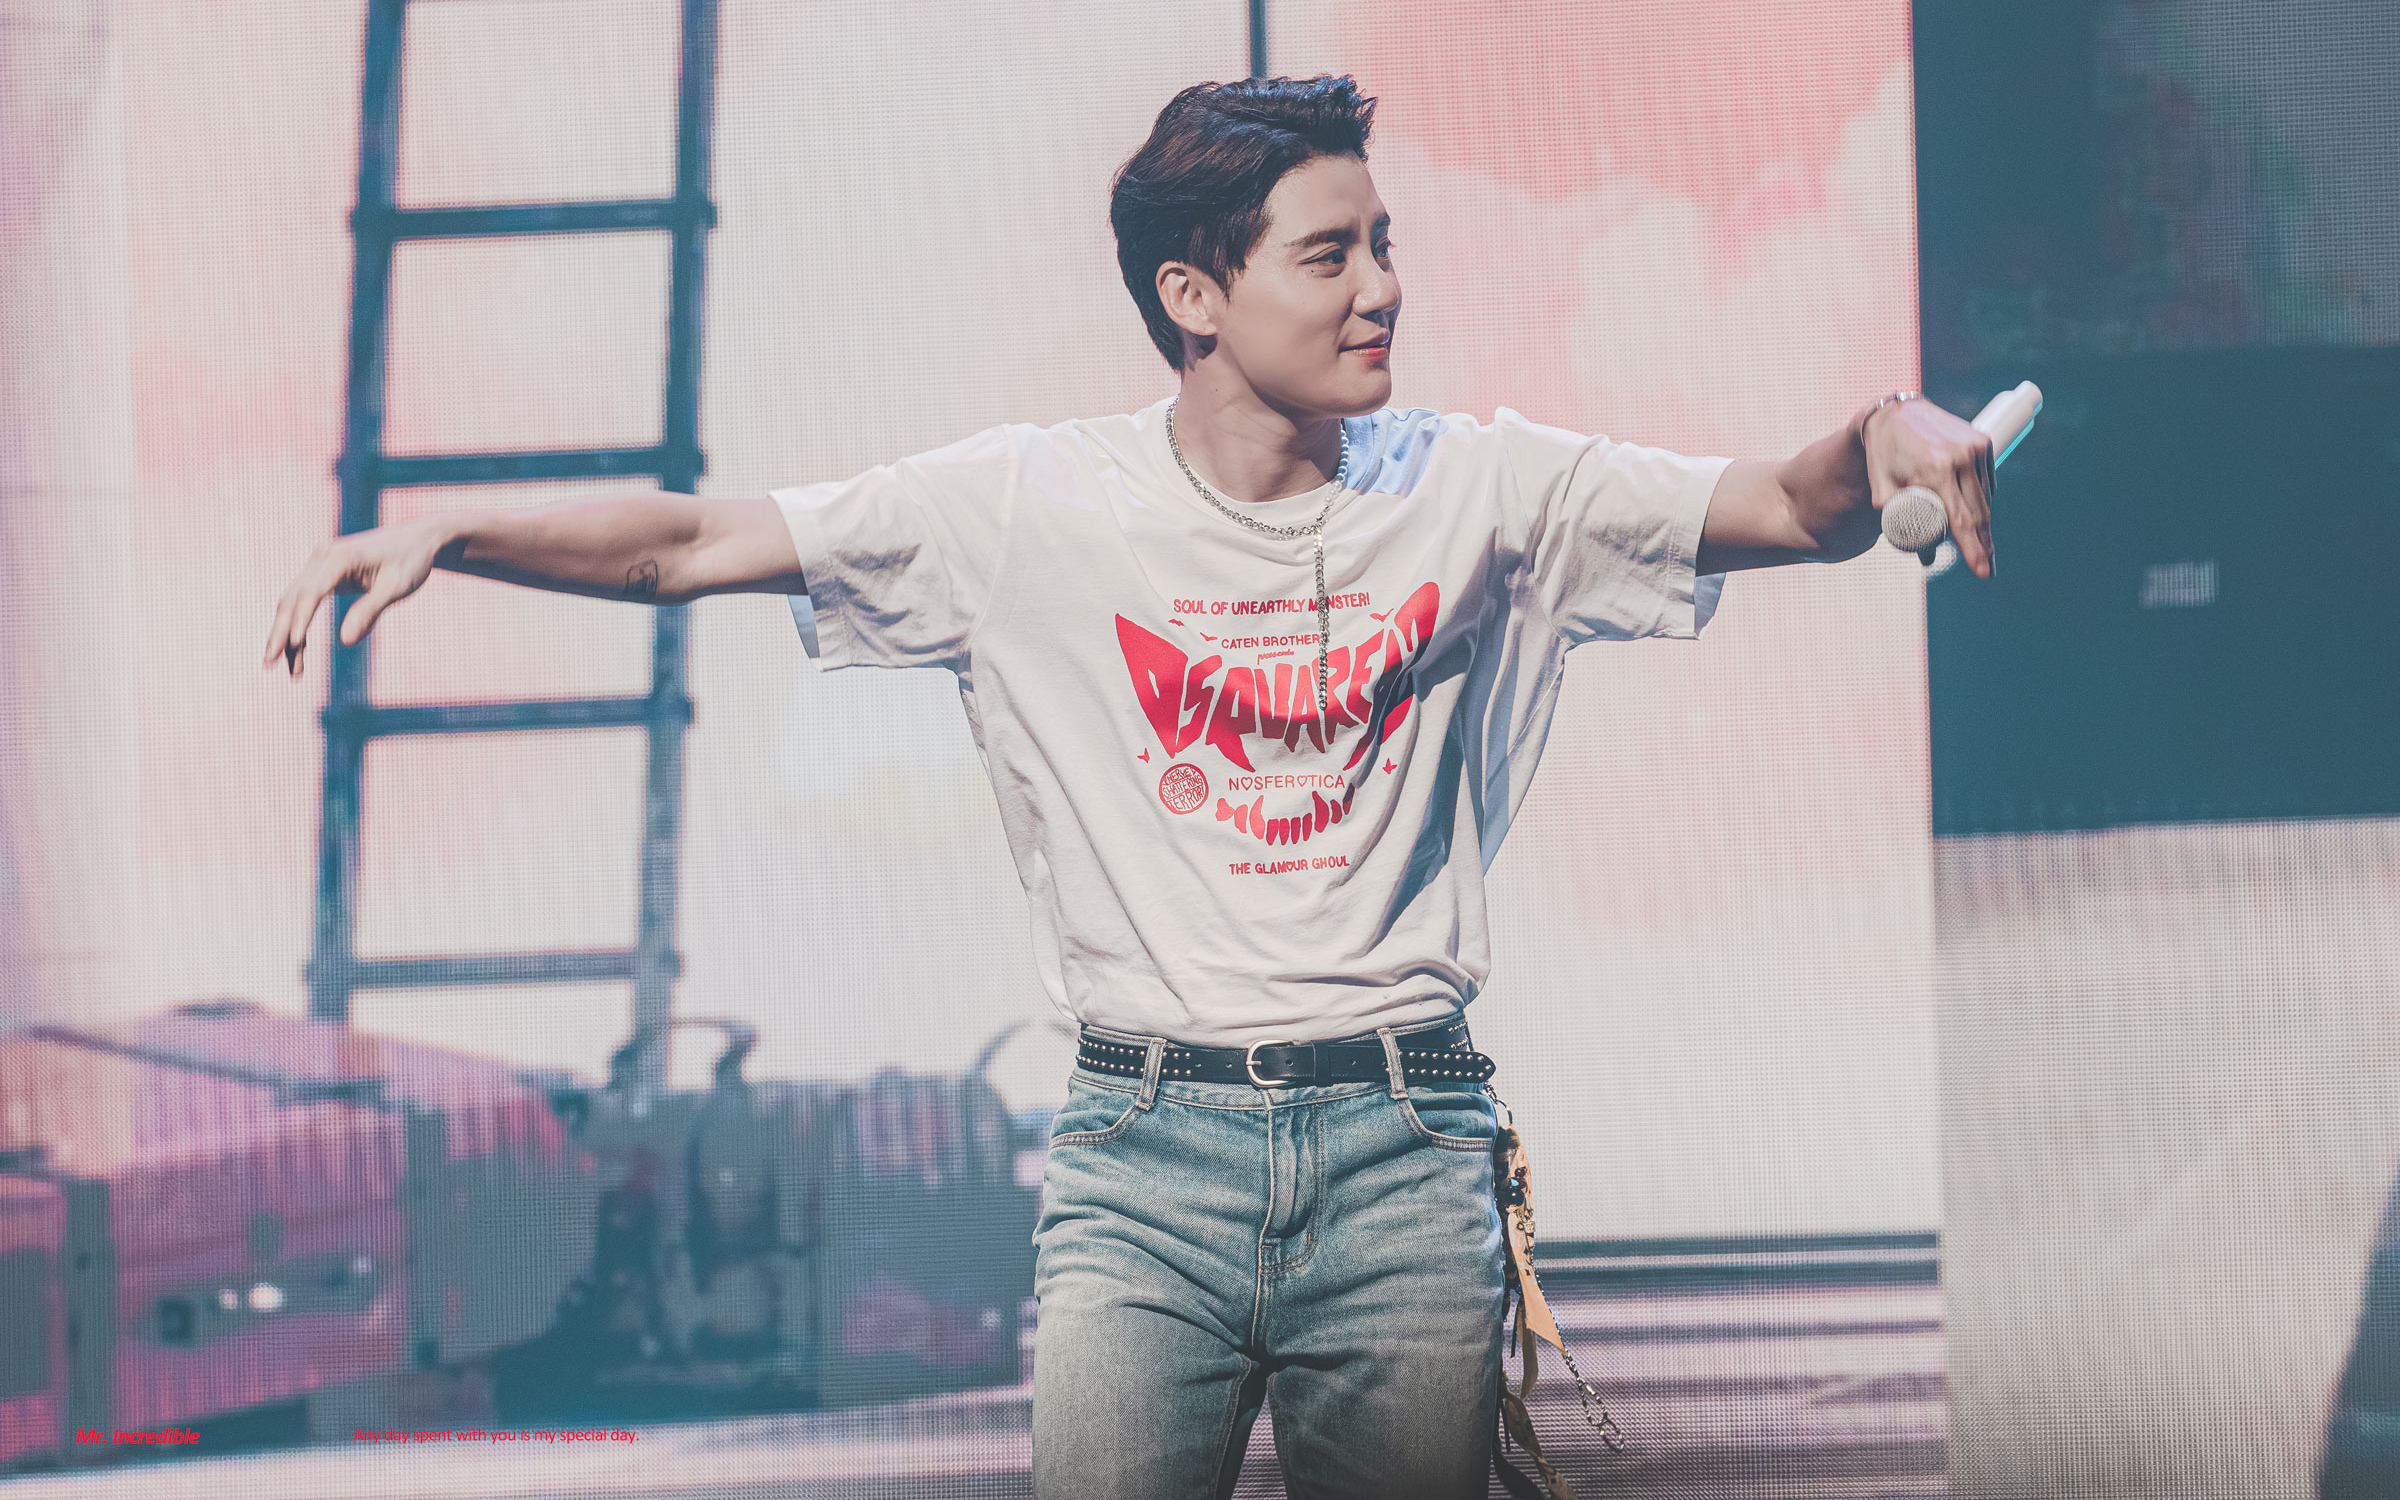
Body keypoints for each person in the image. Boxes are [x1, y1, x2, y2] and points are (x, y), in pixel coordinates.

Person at [264, 75, 1996, 1499]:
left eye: (1385, 245)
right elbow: (699, 542)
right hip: (1140, 1163)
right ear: (1195, 295)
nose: (1382, 288)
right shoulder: (1031, 506)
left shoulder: (1479, 488)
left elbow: (1790, 507)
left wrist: (1884, 427)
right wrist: (456, 532)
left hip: (1403, 1146)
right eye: (1329, 255)